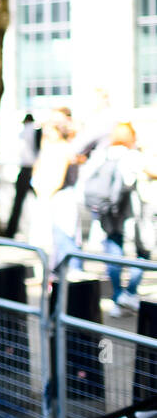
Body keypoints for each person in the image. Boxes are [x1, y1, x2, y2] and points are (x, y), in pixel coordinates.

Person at [82, 123, 149, 316]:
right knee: (142, 252)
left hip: (108, 212)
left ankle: (118, 297)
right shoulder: (133, 156)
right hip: (130, 213)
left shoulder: (103, 154)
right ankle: (129, 293)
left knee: (113, 252)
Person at [4, 114, 42, 238]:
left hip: (27, 168)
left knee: (18, 203)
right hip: (31, 168)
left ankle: (11, 231)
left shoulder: (25, 132)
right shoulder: (34, 132)